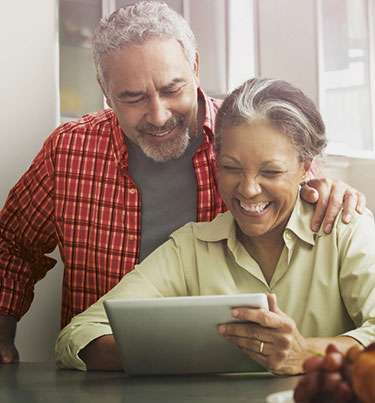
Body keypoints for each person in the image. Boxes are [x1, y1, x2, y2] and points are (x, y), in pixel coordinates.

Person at [0, 2, 365, 365]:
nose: (158, 115)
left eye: (172, 89)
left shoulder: (247, 130)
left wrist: (335, 193)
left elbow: (304, 195)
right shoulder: (69, 151)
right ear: (105, 89)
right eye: (133, 98)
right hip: (111, 372)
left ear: (194, 67)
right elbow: (12, 244)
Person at [55, 78, 375, 374]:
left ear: (306, 167)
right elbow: (78, 336)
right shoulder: (190, 249)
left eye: (271, 172)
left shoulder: (346, 230)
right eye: (231, 168)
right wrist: (172, 350)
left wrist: (306, 353)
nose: (248, 189)